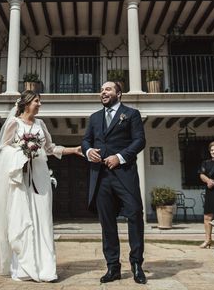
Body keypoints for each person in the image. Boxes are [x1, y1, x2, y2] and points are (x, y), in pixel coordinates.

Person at [0, 90, 82, 282]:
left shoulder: (40, 124)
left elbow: (50, 148)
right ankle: (23, 268)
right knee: (21, 219)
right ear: (27, 103)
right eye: (37, 101)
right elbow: (2, 149)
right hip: (20, 178)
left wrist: (73, 149)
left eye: (40, 101)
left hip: (40, 176)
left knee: (43, 218)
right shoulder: (14, 123)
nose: (40, 104)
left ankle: (46, 269)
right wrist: (22, 153)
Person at [82, 81, 147, 284]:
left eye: (108, 89)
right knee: (107, 223)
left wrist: (119, 157)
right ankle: (113, 267)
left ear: (119, 93)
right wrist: (88, 151)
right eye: (101, 89)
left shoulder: (131, 114)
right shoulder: (94, 118)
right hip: (101, 176)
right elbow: (86, 140)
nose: (103, 92)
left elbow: (139, 141)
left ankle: (136, 264)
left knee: (135, 214)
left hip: (124, 174)